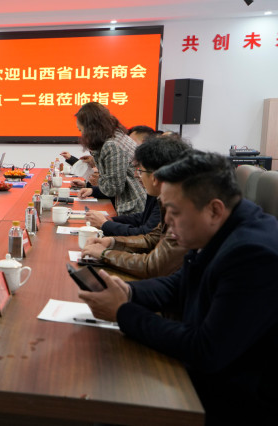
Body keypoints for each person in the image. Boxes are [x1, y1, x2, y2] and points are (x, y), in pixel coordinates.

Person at [78, 151, 278, 425]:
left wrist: (122, 312)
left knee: (102, 394)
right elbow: (178, 284)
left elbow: (205, 350)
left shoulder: (253, 254)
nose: (168, 224)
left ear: (214, 209)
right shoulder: (223, 227)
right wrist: (128, 292)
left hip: (234, 403)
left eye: (174, 213)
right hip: (210, 379)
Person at [80, 135, 191, 278]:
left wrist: (104, 253)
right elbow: (152, 238)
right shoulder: (167, 197)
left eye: (140, 171)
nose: (136, 175)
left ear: (155, 177)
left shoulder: (183, 207)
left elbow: (153, 266)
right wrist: (111, 242)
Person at [75, 102, 146, 215]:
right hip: (136, 203)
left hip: (133, 207)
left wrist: (98, 180)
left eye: (81, 130)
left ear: (91, 129)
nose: (82, 135)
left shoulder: (111, 145)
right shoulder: (117, 135)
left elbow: (113, 188)